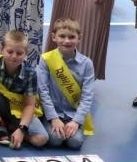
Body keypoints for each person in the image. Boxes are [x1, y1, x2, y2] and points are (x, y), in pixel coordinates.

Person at [0, 29, 49, 149]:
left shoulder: (30, 73)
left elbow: (30, 105)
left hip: (19, 109)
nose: (14, 56)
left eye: (19, 53)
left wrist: (22, 130)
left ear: (26, 53)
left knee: (41, 139)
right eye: (10, 52)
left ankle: (11, 128)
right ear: (2, 49)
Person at [37, 18, 96, 148]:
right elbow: (43, 91)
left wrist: (76, 121)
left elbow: (87, 96)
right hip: (52, 112)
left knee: (75, 142)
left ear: (79, 38)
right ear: (54, 37)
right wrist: (53, 118)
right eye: (62, 36)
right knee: (55, 140)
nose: (67, 41)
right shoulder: (46, 59)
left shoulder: (87, 64)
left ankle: (72, 126)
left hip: (73, 114)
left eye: (71, 37)